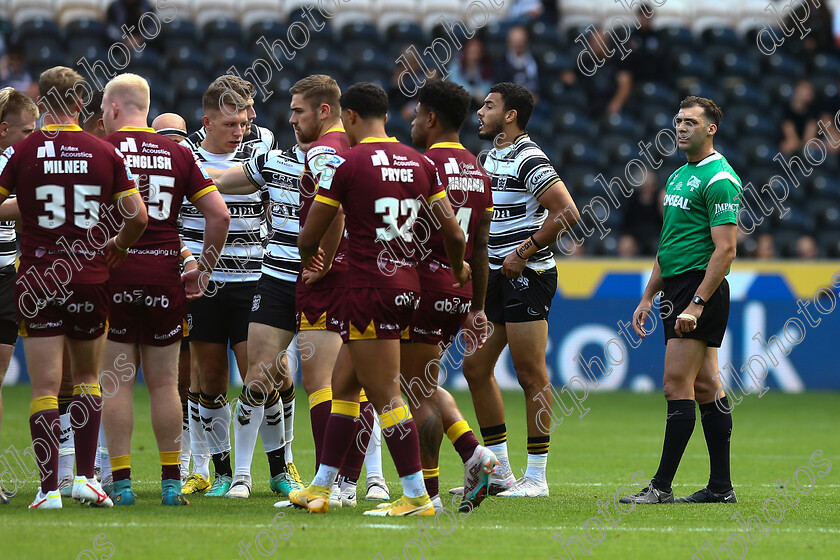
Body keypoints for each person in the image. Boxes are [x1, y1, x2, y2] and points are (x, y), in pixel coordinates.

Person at [292, 82, 470, 516]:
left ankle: (416, 495)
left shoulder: (346, 163)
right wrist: (459, 266)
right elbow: (454, 233)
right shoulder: (421, 163)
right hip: (408, 287)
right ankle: (319, 489)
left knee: (388, 394)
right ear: (385, 116)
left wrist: (310, 255)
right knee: (344, 386)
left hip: (368, 288)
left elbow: (311, 234)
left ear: (349, 116)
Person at [0, 66, 148, 509]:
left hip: (39, 277)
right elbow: (138, 216)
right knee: (87, 379)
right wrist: (118, 246)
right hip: (89, 276)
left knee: (45, 387)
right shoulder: (104, 151)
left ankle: (48, 491)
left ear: (42, 103)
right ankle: (85, 478)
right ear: (83, 104)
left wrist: (29, 209)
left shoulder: (23, 151)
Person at [99, 73, 230, 506]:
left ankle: (120, 485)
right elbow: (220, 215)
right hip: (164, 276)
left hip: (113, 273)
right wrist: (204, 270)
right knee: (164, 384)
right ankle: (172, 484)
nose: (102, 117)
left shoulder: (103, 150)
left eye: (103, 110)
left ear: (115, 108)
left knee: (115, 382)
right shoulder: (176, 151)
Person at [459, 82, 579, 498]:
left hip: (527, 276)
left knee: (530, 374)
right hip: (494, 275)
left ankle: (537, 477)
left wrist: (525, 251)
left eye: (489, 106)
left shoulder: (529, 156)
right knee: (474, 367)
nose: (480, 112)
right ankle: (501, 473)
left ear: (510, 115)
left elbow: (567, 211)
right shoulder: (488, 157)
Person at [622, 96, 741, 505]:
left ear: (711, 129)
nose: (681, 127)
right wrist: (647, 296)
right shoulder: (677, 176)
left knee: (676, 385)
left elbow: (725, 251)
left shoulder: (720, 178)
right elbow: (667, 246)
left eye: (691, 122)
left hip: (698, 288)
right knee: (707, 386)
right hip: (675, 286)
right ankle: (721, 488)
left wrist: (697, 303)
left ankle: (661, 487)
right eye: (677, 120)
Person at [202, 114, 313, 500]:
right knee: (255, 379)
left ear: (325, 112)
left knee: (338, 384)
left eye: (299, 110)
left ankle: (350, 480)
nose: (291, 118)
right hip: (274, 280)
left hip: (324, 284)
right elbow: (214, 182)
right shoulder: (273, 160)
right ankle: (239, 477)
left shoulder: (343, 163)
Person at [408, 79, 498, 513]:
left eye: (414, 114)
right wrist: (476, 307)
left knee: (415, 392)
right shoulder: (481, 174)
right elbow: (479, 249)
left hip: (417, 289)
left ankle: (427, 495)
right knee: (421, 383)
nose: (411, 122)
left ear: (430, 117)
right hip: (457, 292)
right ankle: (474, 454)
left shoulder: (420, 167)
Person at [179, 84, 258, 497]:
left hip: (252, 281)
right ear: (206, 121)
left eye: (243, 123)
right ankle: (223, 472)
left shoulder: (260, 152)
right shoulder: (185, 157)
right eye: (230, 124)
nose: (239, 131)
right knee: (210, 378)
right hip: (204, 284)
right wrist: (191, 264)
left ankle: (269, 468)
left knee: (257, 376)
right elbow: (170, 219)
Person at [0, 87, 39, 504]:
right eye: (27, 130)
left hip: (6, 277)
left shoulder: (23, 163)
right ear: (4, 128)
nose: (34, 136)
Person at [497, 27, 539, 99]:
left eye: (521, 41)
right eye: (515, 41)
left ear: (526, 42)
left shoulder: (536, 60)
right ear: (509, 42)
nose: (518, 44)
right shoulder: (501, 63)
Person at [780, 80, 819, 155]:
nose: (810, 92)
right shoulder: (785, 109)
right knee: (788, 146)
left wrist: (804, 146)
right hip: (792, 143)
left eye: (811, 89)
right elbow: (791, 136)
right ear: (797, 91)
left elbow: (810, 139)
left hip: (804, 145)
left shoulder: (813, 110)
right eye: (807, 89)